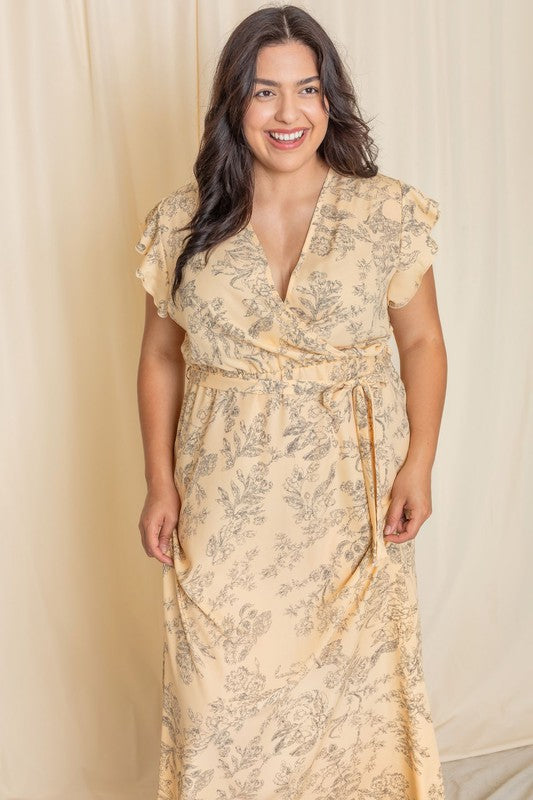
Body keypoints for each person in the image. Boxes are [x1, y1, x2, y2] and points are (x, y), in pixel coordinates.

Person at [134, 5, 447, 799]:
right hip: (224, 497)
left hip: (349, 496)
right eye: (265, 92)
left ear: (329, 99)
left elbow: (421, 344)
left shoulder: (383, 212)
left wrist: (418, 463)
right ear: (233, 102)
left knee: (353, 706)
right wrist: (160, 482)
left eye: (306, 90)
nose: (288, 114)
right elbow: (160, 356)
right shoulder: (182, 222)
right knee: (218, 701)